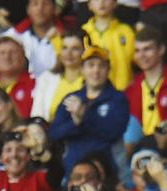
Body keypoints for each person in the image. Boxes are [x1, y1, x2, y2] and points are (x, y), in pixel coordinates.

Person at [49, 46, 129, 178]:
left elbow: (113, 132)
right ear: (82, 70)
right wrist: (76, 123)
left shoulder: (118, 99)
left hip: (106, 174)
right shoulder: (71, 99)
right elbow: (54, 133)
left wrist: (84, 117)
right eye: (91, 65)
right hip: (72, 172)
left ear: (108, 69)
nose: (96, 71)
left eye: (101, 66)